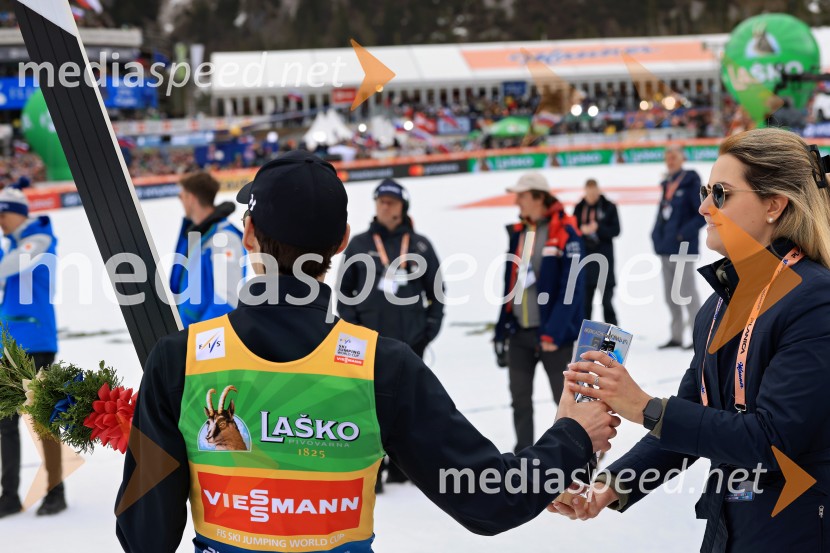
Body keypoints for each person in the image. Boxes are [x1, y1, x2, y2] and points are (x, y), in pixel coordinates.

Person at [115, 151, 620, 552]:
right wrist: (573, 437)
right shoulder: (384, 365)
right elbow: (489, 500)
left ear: (247, 234)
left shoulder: (179, 359)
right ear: (341, 243)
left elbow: (144, 536)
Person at [553, 128, 830, 551]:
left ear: (774, 205)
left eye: (720, 193)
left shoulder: (814, 300)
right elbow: (696, 419)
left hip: (797, 531)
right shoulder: (718, 307)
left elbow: (773, 441)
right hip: (729, 529)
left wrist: (646, 408)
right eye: (705, 190)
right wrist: (610, 485)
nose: (703, 207)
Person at [494, 172, 585, 453]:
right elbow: (511, 283)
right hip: (519, 334)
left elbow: (572, 290)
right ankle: (524, 455)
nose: (517, 201)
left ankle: (577, 454)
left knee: (565, 401)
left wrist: (553, 333)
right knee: (519, 399)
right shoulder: (520, 232)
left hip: (552, 337)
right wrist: (501, 329)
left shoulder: (566, 232)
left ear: (538, 197)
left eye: (522, 196)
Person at [0, 186, 64, 517]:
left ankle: (56, 491)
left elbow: (9, 267)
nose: (1, 222)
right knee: (6, 423)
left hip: (36, 344)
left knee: (43, 420)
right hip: (9, 345)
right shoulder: (11, 244)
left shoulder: (39, 238)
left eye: (3, 214)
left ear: (18, 212)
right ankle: (8, 494)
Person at [338, 178, 444, 359]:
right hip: (368, 344)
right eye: (381, 202)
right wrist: (355, 331)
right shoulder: (359, 244)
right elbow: (344, 291)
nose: (385, 207)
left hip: (412, 343)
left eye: (391, 202)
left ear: (403, 207)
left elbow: (437, 292)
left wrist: (427, 334)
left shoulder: (420, 245)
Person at [170, 171, 245, 327]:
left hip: (205, 341)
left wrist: (197, 338)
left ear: (191, 198)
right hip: (190, 333)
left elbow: (227, 299)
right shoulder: (200, 234)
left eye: (181, 196)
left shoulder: (224, 239)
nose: (180, 201)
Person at [651, 146, 704, 349]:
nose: (670, 160)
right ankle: (676, 336)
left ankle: (698, 336)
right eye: (668, 157)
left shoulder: (690, 182)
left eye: (674, 156)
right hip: (665, 248)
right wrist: (656, 236)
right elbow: (662, 215)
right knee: (670, 295)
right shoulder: (667, 184)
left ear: (682, 158)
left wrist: (683, 234)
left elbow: (701, 214)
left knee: (687, 293)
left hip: (683, 248)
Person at [572, 178, 620, 325]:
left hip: (605, 263)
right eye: (589, 193)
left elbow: (616, 230)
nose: (592, 196)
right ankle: (584, 342)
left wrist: (598, 228)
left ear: (598, 191)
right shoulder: (579, 208)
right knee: (585, 306)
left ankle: (613, 343)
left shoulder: (608, 207)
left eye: (594, 193)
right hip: (586, 263)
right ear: (585, 192)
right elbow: (572, 231)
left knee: (607, 304)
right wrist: (581, 231)